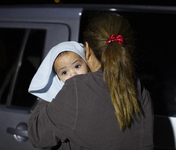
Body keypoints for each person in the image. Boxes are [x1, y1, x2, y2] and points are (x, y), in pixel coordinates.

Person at [28, 13, 154, 150]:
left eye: (77, 66)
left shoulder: (76, 90)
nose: (73, 74)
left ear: (87, 50)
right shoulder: (141, 92)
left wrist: (50, 91)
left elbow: (37, 136)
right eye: (64, 72)